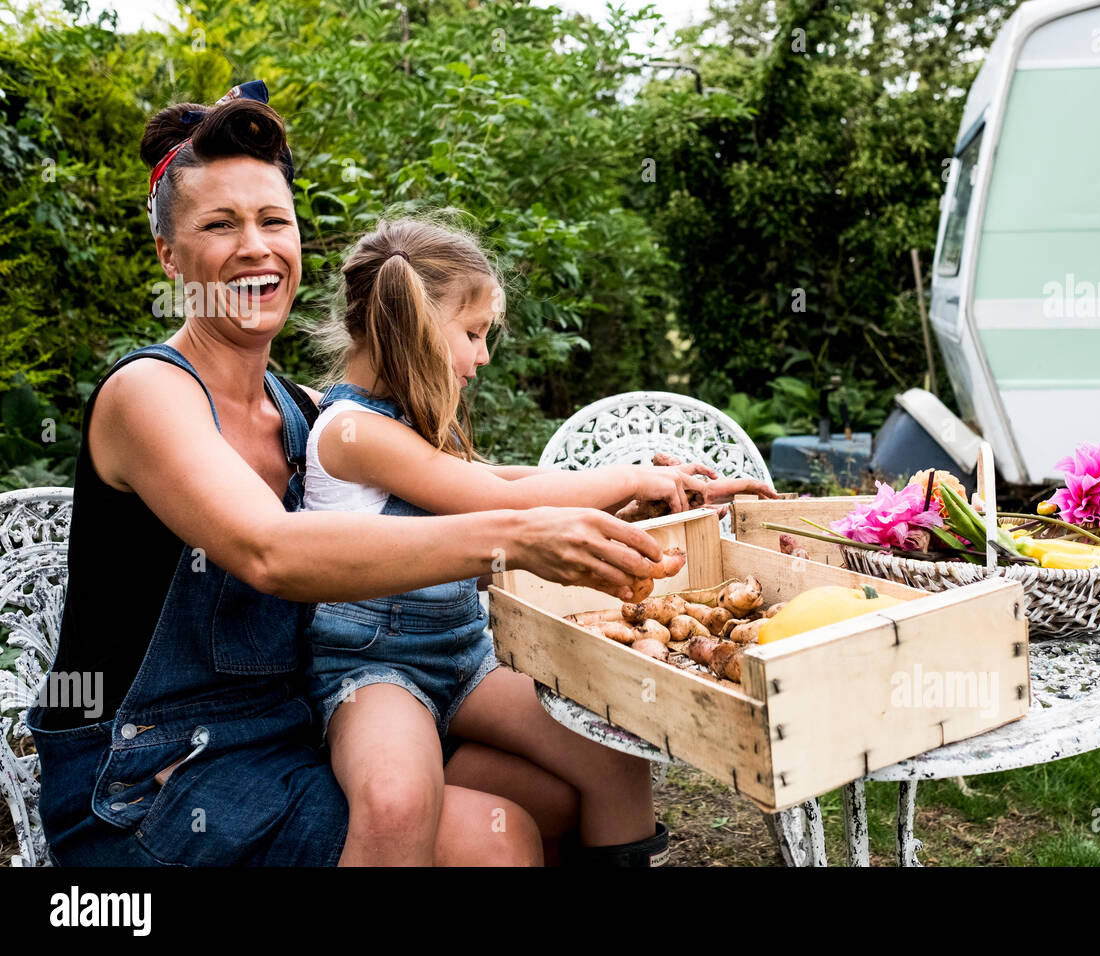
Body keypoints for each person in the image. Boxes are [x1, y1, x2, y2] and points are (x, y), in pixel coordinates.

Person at [25, 82, 679, 867]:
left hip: (285, 733)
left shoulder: (299, 408)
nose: (256, 246)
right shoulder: (148, 395)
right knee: (490, 846)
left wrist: (633, 481)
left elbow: (460, 478)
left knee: (554, 793)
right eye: (219, 224)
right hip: (151, 781)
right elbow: (272, 549)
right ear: (170, 255)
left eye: (274, 221)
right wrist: (517, 538)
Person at [300, 216, 737, 866]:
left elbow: (511, 479)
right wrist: (630, 477)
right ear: (414, 323)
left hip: (463, 655)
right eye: (472, 334)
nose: (481, 356)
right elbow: (507, 505)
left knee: (612, 750)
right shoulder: (350, 433)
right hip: (376, 670)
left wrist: (641, 485)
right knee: (398, 796)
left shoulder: (411, 432)